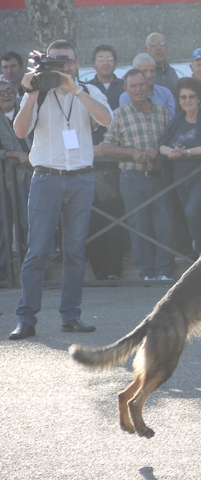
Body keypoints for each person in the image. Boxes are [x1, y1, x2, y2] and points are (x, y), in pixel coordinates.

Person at [9, 39, 112, 340]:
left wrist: (76, 90)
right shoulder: (39, 94)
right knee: (37, 251)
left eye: (65, 61)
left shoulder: (89, 91)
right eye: (53, 61)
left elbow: (105, 119)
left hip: (81, 178)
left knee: (75, 251)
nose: (60, 66)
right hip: (46, 178)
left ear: (76, 63)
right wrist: (31, 91)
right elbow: (19, 131)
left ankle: (71, 316)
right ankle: (26, 319)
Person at [102, 68, 175, 281]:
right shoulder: (119, 114)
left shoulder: (163, 112)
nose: (138, 89)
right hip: (132, 178)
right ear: (126, 89)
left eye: (141, 85)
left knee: (165, 225)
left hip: (160, 176)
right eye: (133, 86)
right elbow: (107, 147)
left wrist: (159, 149)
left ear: (148, 85)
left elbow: (171, 141)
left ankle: (164, 271)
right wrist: (132, 153)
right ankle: (146, 272)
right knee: (138, 226)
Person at [159, 78, 201, 257]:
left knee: (192, 211)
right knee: (189, 215)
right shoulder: (177, 119)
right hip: (179, 178)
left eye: (191, 96)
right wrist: (171, 152)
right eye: (183, 97)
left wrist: (185, 153)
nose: (187, 101)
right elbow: (161, 145)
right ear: (178, 100)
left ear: (199, 98)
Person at [0, 79, 28, 281]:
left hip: (32, 174)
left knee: (29, 222)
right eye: (1, 92)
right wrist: (13, 154)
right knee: (5, 223)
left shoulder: (26, 108)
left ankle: (32, 268)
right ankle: (5, 270)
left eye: (9, 91)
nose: (5, 95)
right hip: (5, 179)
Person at [119, 53, 175, 117]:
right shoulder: (126, 97)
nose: (149, 75)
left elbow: (172, 121)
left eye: (152, 71)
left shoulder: (166, 93)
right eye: (144, 71)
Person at [86, 44, 125, 110]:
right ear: (93, 64)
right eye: (101, 60)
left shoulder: (125, 86)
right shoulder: (87, 88)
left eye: (109, 59)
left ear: (115, 63)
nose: (106, 63)